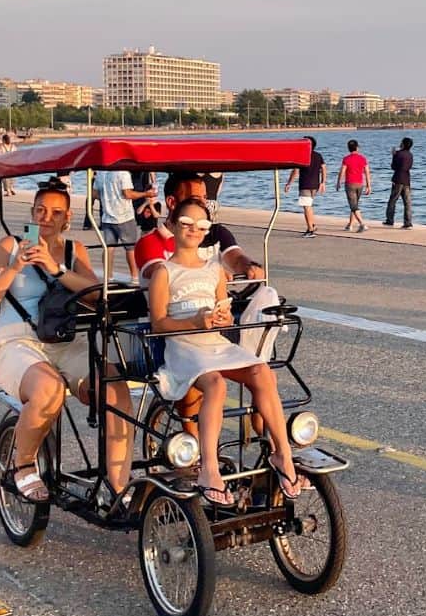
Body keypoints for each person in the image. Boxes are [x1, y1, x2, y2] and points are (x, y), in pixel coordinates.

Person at [0, 180, 134, 501]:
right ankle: (23, 465)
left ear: (67, 218)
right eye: (40, 210)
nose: (46, 218)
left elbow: (94, 297)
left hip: (66, 342)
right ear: (32, 212)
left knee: (114, 388)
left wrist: (56, 268)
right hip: (18, 342)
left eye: (55, 213)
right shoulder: (10, 245)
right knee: (49, 389)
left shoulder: (74, 250)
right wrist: (15, 267)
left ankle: (120, 487)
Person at [148, 198, 305, 506]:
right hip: (183, 346)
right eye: (186, 224)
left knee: (262, 372)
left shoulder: (214, 269)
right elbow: (158, 323)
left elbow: (227, 314)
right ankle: (209, 467)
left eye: (201, 225)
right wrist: (194, 322)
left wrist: (223, 319)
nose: (194, 230)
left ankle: (283, 453)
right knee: (215, 384)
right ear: (172, 225)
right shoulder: (164, 272)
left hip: (214, 342)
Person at [134, 171, 264, 288]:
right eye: (196, 200)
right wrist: (209, 272)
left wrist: (249, 267)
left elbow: (236, 258)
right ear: (172, 203)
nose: (204, 205)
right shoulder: (149, 242)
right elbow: (160, 271)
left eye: (205, 198)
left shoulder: (215, 233)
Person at [95, 170, 154, 284]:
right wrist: (145, 194)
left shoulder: (101, 172)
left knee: (109, 248)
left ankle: (108, 277)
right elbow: (128, 194)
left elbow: (94, 194)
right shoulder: (123, 173)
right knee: (130, 248)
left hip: (107, 216)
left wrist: (108, 198)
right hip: (124, 216)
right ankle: (134, 277)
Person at [284, 136, 326, 238]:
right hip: (315, 185)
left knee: (306, 207)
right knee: (309, 206)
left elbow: (295, 171)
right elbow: (324, 168)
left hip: (305, 184)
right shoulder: (318, 155)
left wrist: (289, 183)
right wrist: (323, 182)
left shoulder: (302, 155)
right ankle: (312, 225)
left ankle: (310, 230)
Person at [336, 139, 371, 232]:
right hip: (360, 184)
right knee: (354, 205)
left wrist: (339, 182)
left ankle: (362, 224)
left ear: (348, 148)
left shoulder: (346, 159)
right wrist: (368, 185)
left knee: (353, 206)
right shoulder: (362, 158)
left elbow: (342, 171)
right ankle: (350, 225)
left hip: (350, 184)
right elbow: (367, 172)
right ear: (357, 147)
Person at [384, 137, 414, 228]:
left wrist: (393, 155)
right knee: (407, 202)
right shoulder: (410, 155)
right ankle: (408, 222)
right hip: (406, 179)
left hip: (397, 179)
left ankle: (390, 220)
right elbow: (409, 166)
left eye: (401, 142)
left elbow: (393, 166)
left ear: (403, 144)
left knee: (393, 200)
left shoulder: (398, 153)